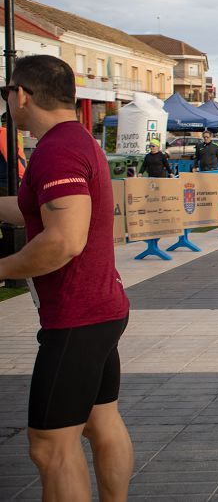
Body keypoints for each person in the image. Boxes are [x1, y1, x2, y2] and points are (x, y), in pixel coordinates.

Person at [0, 54, 132, 501]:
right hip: (100, 308)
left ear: (22, 94)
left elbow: (64, 240)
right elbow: (40, 207)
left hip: (76, 316)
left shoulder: (57, 150)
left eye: (7, 93)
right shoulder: (77, 141)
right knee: (100, 422)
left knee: (50, 446)